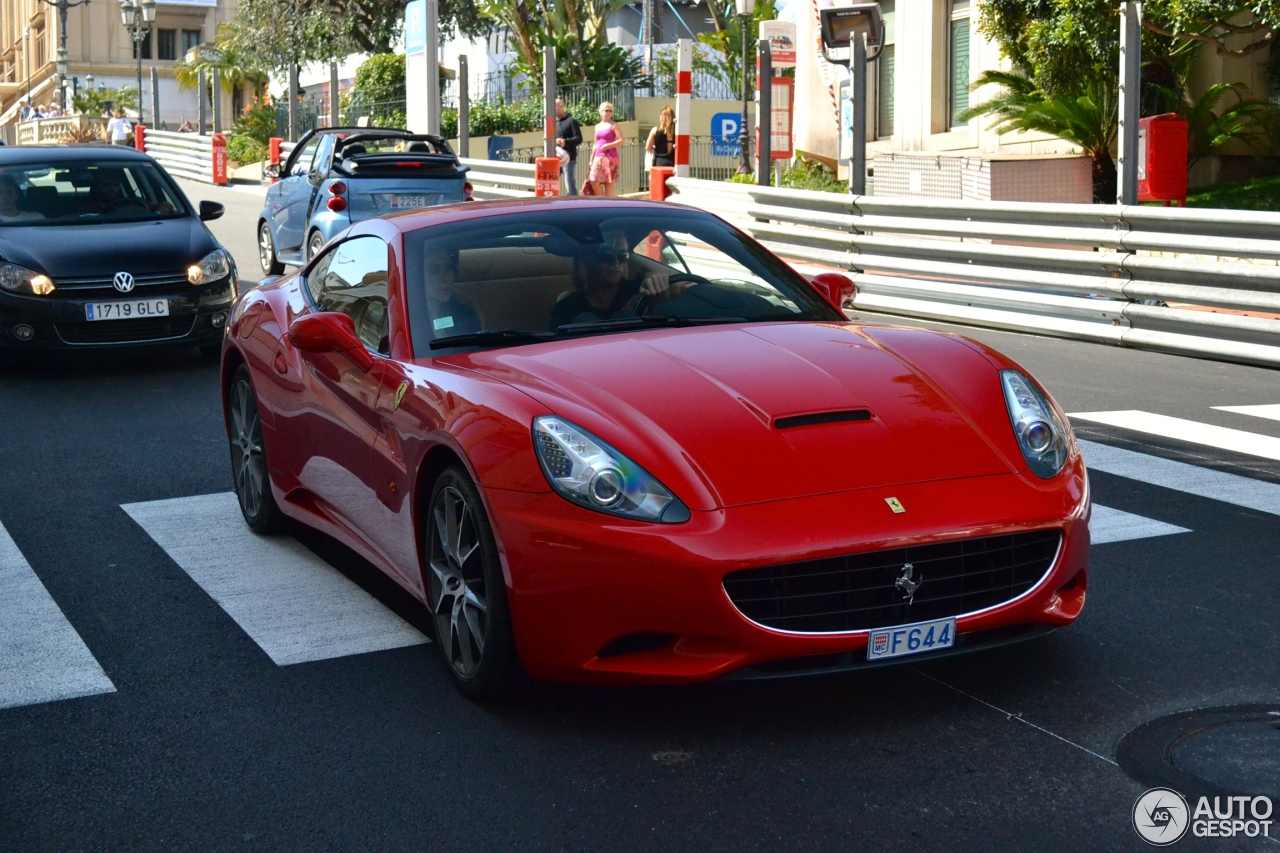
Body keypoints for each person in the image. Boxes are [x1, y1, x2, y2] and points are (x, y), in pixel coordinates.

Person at [548, 235, 674, 329]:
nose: (616, 262)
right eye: (606, 255)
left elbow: (664, 324)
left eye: (622, 255)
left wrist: (657, 283)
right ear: (586, 261)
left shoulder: (641, 289)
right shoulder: (565, 309)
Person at [424, 245, 480, 339]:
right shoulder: (406, 316)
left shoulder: (465, 313)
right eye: (434, 270)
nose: (445, 278)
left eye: (448, 268)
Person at [586, 102, 623, 197]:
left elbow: (621, 140)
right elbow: (595, 144)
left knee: (608, 181)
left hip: (610, 156)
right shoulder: (597, 126)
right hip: (598, 156)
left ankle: (609, 203)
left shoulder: (614, 125)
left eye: (610, 111)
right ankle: (602, 199)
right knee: (593, 179)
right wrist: (591, 159)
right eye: (606, 110)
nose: (608, 113)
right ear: (600, 112)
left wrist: (608, 146)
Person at [554, 98, 583, 196]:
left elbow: (579, 139)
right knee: (552, 184)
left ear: (561, 106)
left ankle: (573, 205)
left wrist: (565, 142)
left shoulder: (571, 121)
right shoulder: (553, 123)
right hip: (555, 158)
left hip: (569, 158)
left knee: (570, 185)